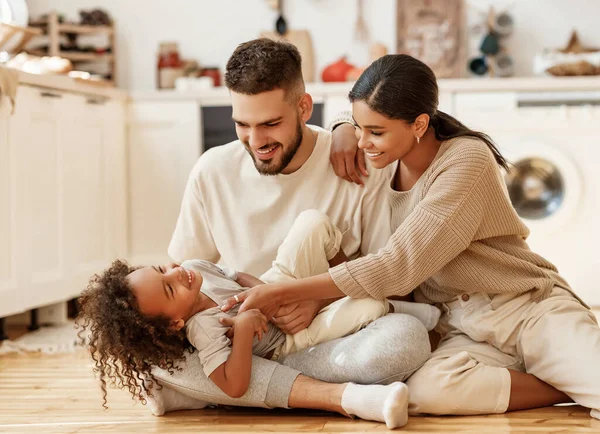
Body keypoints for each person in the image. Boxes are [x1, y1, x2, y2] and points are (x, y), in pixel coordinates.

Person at [222, 54, 600, 420]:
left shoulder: (466, 161)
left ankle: (575, 375)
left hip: (526, 308)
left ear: (419, 125)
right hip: (463, 326)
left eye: (375, 132)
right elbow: (359, 113)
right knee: (425, 393)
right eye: (359, 128)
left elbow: (399, 265)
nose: (364, 142)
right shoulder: (385, 163)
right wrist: (342, 127)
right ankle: (564, 387)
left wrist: (282, 291)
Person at [144, 39, 432, 420]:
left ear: (303, 107)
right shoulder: (212, 171)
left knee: (405, 339)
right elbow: (176, 299)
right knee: (155, 352)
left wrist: (319, 299)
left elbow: (389, 277)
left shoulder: (358, 166)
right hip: (249, 340)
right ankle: (308, 391)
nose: (256, 141)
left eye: (270, 124)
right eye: (242, 125)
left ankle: (217, 391)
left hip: (332, 330)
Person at [77, 209, 423, 428]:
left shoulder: (194, 267)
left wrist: (272, 293)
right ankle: (424, 313)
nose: (176, 274)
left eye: (162, 269)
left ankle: (179, 395)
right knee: (368, 304)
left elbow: (237, 275)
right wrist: (243, 331)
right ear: (174, 325)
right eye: (170, 290)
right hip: (288, 340)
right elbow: (234, 385)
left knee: (312, 223)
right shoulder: (204, 330)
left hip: (275, 289)